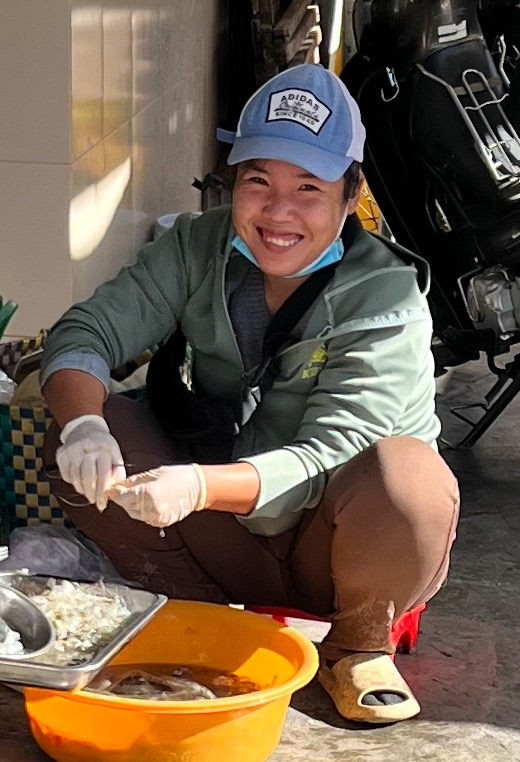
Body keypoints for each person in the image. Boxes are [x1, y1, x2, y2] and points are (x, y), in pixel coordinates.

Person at [41, 64, 459, 724]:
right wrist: (83, 428)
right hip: (228, 537)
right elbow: (87, 330)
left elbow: (329, 453)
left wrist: (197, 486)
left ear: (351, 195)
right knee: (85, 421)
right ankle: (198, 614)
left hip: (337, 548)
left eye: (308, 188)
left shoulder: (387, 295)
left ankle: (358, 645)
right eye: (257, 181)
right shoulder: (197, 246)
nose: (278, 211)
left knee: (409, 478)